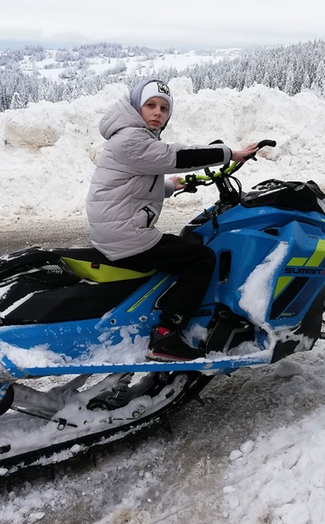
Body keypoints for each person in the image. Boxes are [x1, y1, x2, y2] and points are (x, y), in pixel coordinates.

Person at [86, 79, 259, 362]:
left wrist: (170, 186)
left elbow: (134, 181)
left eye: (164, 108)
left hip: (116, 228)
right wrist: (230, 153)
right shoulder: (132, 139)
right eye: (151, 105)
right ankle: (167, 333)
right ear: (135, 108)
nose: (157, 113)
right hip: (126, 235)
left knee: (183, 246)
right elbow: (175, 155)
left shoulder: (128, 137)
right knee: (200, 258)